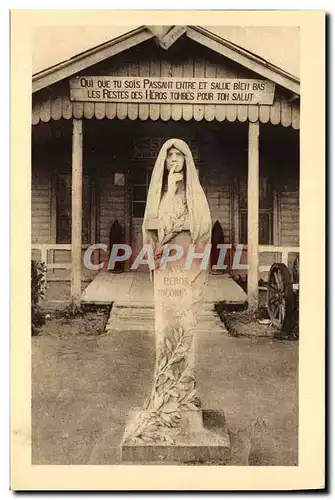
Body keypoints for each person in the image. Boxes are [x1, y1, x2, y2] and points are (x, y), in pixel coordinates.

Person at [142, 138, 212, 268]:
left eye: (178, 154)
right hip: (165, 257)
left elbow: (203, 222)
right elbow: (155, 220)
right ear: (165, 160)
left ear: (185, 159)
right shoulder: (160, 193)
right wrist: (170, 190)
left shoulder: (194, 191)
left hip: (187, 254)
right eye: (170, 155)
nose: (174, 159)